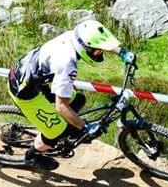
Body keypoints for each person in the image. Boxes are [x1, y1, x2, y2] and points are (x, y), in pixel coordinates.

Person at [8, 19, 135, 171]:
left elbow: (101, 40)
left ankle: (65, 126)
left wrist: (123, 53)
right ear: (85, 48)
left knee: (78, 98)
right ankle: (32, 156)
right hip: (25, 92)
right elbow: (61, 106)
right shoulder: (67, 63)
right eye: (96, 51)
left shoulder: (75, 36)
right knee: (56, 132)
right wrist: (85, 127)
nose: (99, 54)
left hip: (30, 75)